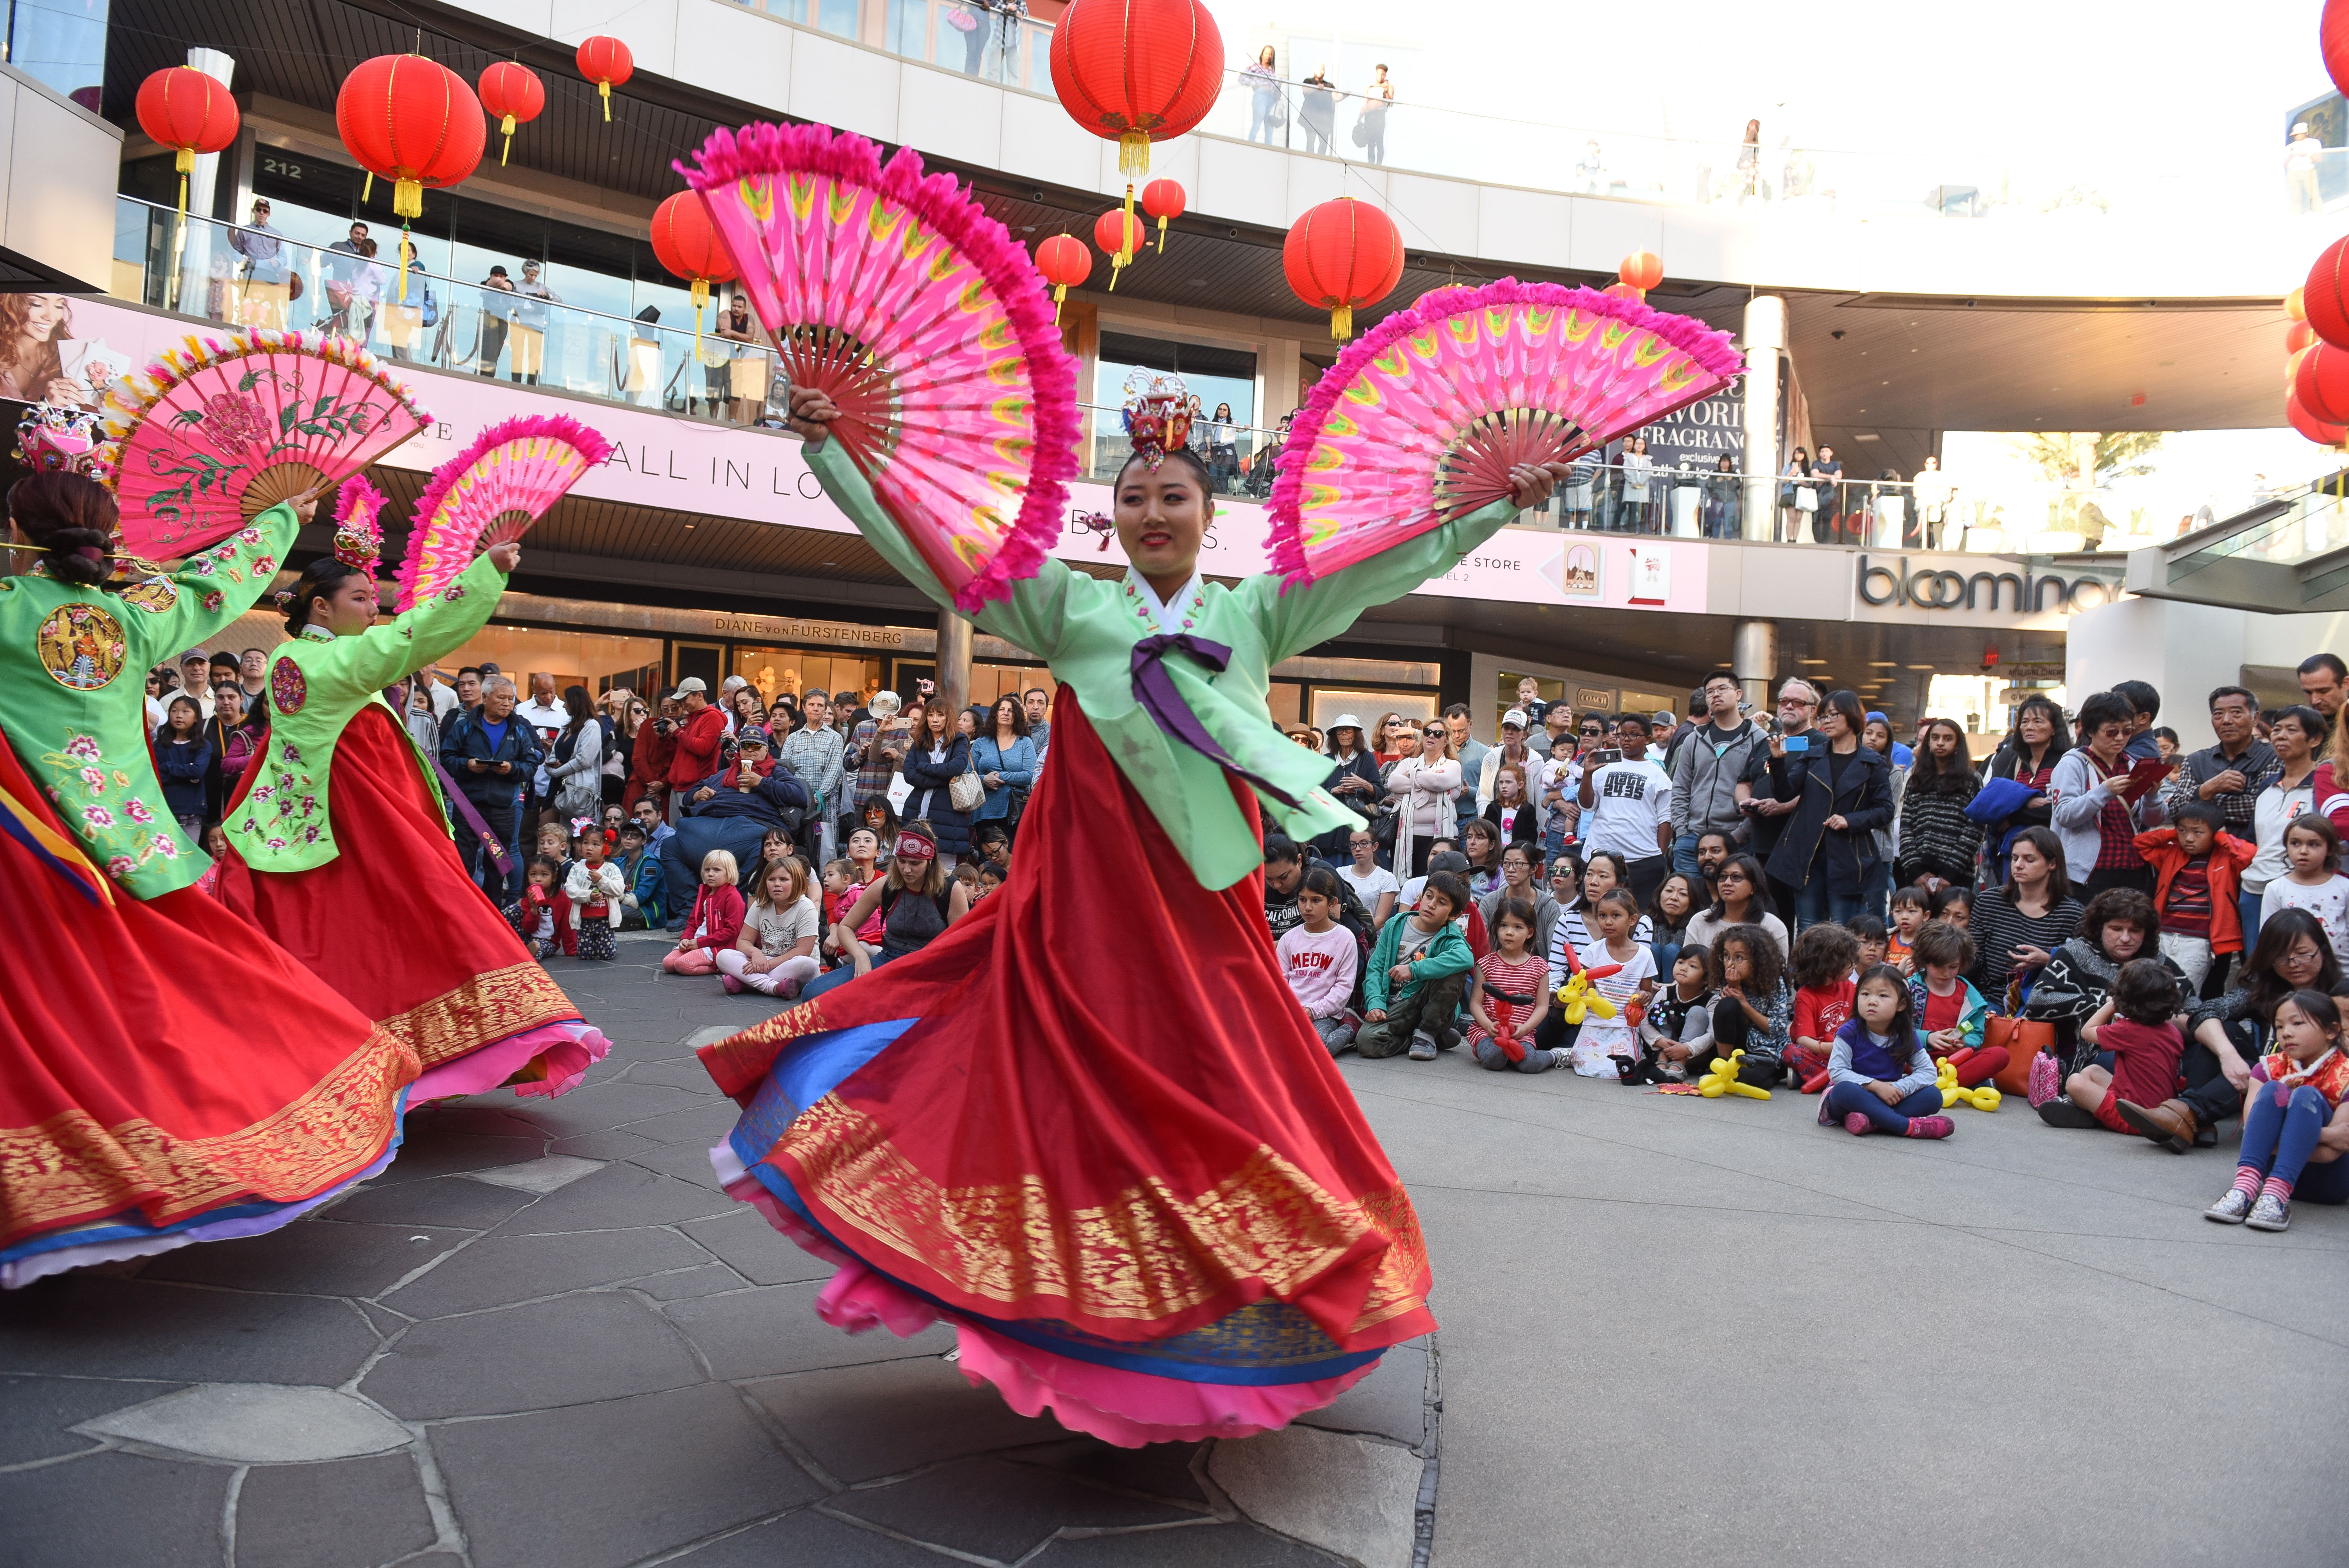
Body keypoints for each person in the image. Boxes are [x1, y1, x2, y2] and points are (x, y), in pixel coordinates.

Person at [698, 380, 1562, 1442]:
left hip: (1208, 910)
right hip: (1086, 910)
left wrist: (1495, 506)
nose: (1154, 515)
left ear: (1211, 517)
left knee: (1230, 1085)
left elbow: (1386, 563)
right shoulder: (1075, 610)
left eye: (1176, 499)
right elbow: (942, 551)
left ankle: (1233, 1310)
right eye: (1135, 498)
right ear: (1111, 518)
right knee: (1062, 1091)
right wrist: (840, 455)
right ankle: (1075, 1308)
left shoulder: (1254, 615)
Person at [215, 527, 610, 1100]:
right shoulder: (331, 660)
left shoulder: (292, 657)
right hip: (355, 822)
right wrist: (484, 573)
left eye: (374, 597)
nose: (373, 606)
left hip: (300, 822)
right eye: (359, 597)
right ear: (320, 606)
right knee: (409, 929)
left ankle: (330, 1061)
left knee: (336, 941)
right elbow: (410, 636)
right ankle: (388, 1055)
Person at [2127, 908, 2341, 1152]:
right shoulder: (2263, 990)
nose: (2293, 965)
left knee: (2258, 1070)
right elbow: (2205, 1012)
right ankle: (2192, 1118)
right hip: (2268, 1072)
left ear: (2322, 950)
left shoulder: (2340, 996)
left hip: (2317, 1085)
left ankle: (2189, 1114)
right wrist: (2227, 1054)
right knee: (2224, 1030)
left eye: (2303, 955)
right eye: (2282, 957)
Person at [2205, 989, 2349, 1229]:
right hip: (2265, 1175)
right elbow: (2253, 1128)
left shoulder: (2346, 1075)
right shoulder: (2267, 1070)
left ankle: (2278, 1194)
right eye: (2280, 1027)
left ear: (2331, 1031)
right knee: (2275, 1091)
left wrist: (2279, 1131)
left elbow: (2334, 1150)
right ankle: (2244, 1188)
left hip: (2328, 1181)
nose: (2287, 1033)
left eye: (2298, 1023)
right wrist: (2308, 1134)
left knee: (2306, 1095)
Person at [1764, 689, 1893, 930]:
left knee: (1842, 929)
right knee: (1808, 927)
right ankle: (1807, 970)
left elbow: (1885, 811)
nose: (1827, 721)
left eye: (1834, 715)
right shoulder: (1814, 755)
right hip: (1808, 855)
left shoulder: (1873, 763)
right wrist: (1778, 762)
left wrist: (1849, 820)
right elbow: (1785, 794)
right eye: (1824, 716)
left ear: (1852, 716)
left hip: (1848, 857)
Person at [658, 729, 812, 923]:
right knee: (670, 846)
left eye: (756, 746)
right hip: (705, 826)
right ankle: (690, 911)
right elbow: (691, 794)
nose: (751, 750)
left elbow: (800, 795)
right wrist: (697, 795)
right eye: (745, 746)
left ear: (766, 750)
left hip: (752, 827)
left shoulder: (777, 772)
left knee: (763, 846)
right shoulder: (723, 775)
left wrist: (763, 783)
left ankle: (734, 913)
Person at [802, 821, 969, 997]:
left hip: (932, 964)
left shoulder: (951, 889)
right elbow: (846, 927)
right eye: (902, 861)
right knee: (813, 993)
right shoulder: (886, 885)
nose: (907, 869)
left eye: (915, 863)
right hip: (890, 958)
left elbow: (961, 946)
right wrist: (861, 957)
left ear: (930, 861)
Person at [2050, 690, 2162, 902]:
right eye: (2111, 732)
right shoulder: (2073, 763)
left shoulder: (2132, 763)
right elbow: (2065, 815)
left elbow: (2153, 820)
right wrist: (2104, 792)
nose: (2120, 738)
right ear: (2091, 731)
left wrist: (2152, 796)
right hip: (2089, 873)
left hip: (2133, 867)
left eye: (2127, 731)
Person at [1820, 966, 1955, 1139]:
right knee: (1843, 1090)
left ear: (1901, 1005)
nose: (1872, 1001)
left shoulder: (1906, 1034)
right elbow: (1838, 1071)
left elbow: (1928, 1072)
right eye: (1865, 994)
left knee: (1934, 1096)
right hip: (1855, 1097)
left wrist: (1897, 1088)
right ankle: (1906, 1127)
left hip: (1891, 1095)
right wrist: (1876, 1086)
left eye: (1883, 996)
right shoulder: (1849, 1032)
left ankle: (1872, 1123)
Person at [2135, 800, 2253, 993]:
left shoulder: (2225, 858)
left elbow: (2248, 854)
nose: (2189, 839)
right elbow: (2141, 843)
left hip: (2201, 939)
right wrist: (2173, 833)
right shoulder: (2173, 854)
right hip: (2165, 932)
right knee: (2156, 986)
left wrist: (2220, 837)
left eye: (2198, 832)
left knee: (2186, 991)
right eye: (2183, 831)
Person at [1358, 870, 1475, 1061]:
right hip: (1397, 1005)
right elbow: (1376, 968)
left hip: (1430, 1006)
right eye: (1429, 896)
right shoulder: (1396, 925)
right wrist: (1375, 1003)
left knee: (1456, 970)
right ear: (1422, 896)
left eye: (1442, 903)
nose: (1431, 905)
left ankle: (1428, 1032)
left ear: (1454, 915)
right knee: (1367, 1042)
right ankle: (1431, 1039)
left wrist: (1414, 970)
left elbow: (1466, 959)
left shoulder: (1450, 934)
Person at [444, 675, 542, 899]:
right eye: (502, 698)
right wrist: (468, 765)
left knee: (497, 865)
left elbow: (531, 765)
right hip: (468, 807)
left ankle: (492, 914)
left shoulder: (519, 729)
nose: (508, 703)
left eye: (511, 699)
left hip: (503, 808)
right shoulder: (464, 726)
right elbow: (447, 758)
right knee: (464, 862)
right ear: (486, 698)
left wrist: (512, 769)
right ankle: (463, 908)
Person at [1967, 827, 2083, 1005]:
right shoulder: (1988, 901)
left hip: (2041, 1003)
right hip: (1987, 999)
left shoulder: (2072, 913)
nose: (2019, 865)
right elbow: (1975, 959)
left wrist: (2048, 960)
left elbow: (2082, 966)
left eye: (2029, 860)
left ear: (2052, 864)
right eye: (2015, 858)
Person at [2243, 705, 2326, 943]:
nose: (2281, 736)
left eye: (2292, 730)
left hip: (2299, 889)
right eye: (2277, 729)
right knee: (2257, 964)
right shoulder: (2266, 785)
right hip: (2254, 888)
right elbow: (2254, 840)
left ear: (2315, 740)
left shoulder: (2323, 786)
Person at [2161, 685, 2279, 850]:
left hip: (2251, 856)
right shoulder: (2196, 761)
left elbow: (2259, 809)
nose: (2226, 720)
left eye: (2236, 713)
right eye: (2218, 714)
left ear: (2255, 718)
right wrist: (2208, 789)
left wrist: (2201, 804)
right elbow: (2176, 811)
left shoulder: (2273, 757)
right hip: (2201, 861)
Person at [1577, 711, 1674, 906]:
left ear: (1648, 739)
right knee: (1595, 910)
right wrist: (1587, 774)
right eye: (1622, 734)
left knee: (1637, 914)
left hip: (1642, 859)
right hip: (1600, 854)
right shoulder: (1603, 766)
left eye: (1634, 734)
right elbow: (1587, 806)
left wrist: (1660, 855)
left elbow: (1666, 819)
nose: (1626, 739)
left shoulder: (1658, 775)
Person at [1466, 899, 1561, 1073]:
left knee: (1530, 1065)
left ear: (1530, 932)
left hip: (1522, 1033)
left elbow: (1542, 1006)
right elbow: (1475, 1003)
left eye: (1518, 927)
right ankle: (1492, 1052)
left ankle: (1555, 1055)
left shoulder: (1539, 967)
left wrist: (1525, 1029)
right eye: (1504, 926)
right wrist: (1488, 1025)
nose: (1509, 933)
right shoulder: (1486, 964)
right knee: (1495, 1058)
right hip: (1487, 1033)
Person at [1893, 717, 1984, 893]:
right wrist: (1915, 870)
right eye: (1935, 738)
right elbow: (1906, 827)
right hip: (1918, 874)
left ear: (1958, 744)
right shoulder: (1915, 780)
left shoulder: (1972, 780)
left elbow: (1975, 829)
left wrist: (1950, 873)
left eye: (1948, 738)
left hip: (1957, 874)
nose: (1940, 743)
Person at [1695, 924, 1793, 1087]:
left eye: (1739, 957)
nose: (1730, 964)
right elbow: (1730, 1021)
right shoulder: (1729, 979)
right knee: (1726, 1006)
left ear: (1757, 960)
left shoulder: (1775, 984)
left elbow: (1776, 1029)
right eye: (1726, 956)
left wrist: (1745, 1004)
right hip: (1739, 1045)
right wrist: (1734, 989)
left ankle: (1775, 1072)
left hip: (1765, 1048)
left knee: (1751, 1077)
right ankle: (1724, 1063)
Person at [1280, 866, 1359, 1056]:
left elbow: (1344, 987)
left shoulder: (1345, 938)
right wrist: (1289, 1009)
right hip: (1291, 1012)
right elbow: (1280, 981)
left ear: (1332, 903)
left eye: (1316, 900)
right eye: (1303, 900)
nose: (1308, 907)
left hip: (1325, 1013)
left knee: (1317, 1052)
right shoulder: (1289, 939)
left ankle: (1351, 1026)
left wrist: (1312, 1011)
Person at [717, 855, 822, 998]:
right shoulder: (761, 904)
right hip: (764, 961)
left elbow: (803, 950)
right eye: (771, 879)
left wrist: (768, 964)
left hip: (792, 964)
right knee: (723, 956)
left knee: (807, 964)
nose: (777, 884)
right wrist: (756, 954)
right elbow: (743, 941)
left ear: (798, 882)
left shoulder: (806, 907)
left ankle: (747, 983)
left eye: (784, 880)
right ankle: (772, 987)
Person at [1908, 922, 2000, 1082]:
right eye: (1939, 966)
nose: (1946, 973)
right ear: (1924, 960)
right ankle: (1959, 1082)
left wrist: (1965, 1043)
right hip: (1915, 1056)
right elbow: (1894, 1030)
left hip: (1954, 1061)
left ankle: (1933, 1082)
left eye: (1953, 966)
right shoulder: (1910, 988)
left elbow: (1976, 1033)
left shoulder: (1969, 997)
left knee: (1999, 1055)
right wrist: (1927, 1038)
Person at [1622, 944, 1715, 1083]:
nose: (1684, 968)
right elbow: (1645, 1021)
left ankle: (1680, 1063)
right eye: (1681, 962)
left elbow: (1712, 1035)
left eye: (1693, 966)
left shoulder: (1711, 1000)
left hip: (1692, 1055)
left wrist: (1686, 1049)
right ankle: (1663, 1059)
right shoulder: (1666, 992)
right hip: (1662, 1048)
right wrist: (1662, 1042)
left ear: (1707, 978)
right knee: (1663, 1009)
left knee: (1698, 1012)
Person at [2260, 813, 2349, 956]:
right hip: (2294, 971)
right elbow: (2269, 940)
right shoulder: (2276, 889)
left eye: (2313, 844)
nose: (2303, 851)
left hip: (2342, 973)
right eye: (2295, 843)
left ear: (2330, 849)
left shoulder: (2345, 887)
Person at [900, 700, 973, 868]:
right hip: (917, 810)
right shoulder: (919, 741)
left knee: (944, 872)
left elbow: (957, 767)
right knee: (913, 866)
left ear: (948, 718)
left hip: (948, 812)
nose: (935, 719)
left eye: (940, 715)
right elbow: (910, 775)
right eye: (931, 715)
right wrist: (943, 777)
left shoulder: (959, 740)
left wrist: (925, 768)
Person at [1386, 716, 1461, 877]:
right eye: (1428, 732)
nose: (1432, 736)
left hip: (1440, 840)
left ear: (1447, 740)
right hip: (1407, 837)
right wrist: (1431, 784)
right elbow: (1393, 783)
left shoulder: (1452, 765)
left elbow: (1441, 781)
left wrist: (1413, 775)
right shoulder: (1408, 762)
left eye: (1438, 733)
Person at [1682, 850, 1788, 962]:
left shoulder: (1773, 927)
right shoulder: (1700, 921)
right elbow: (1688, 967)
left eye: (1736, 877)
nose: (1727, 883)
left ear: (1754, 887)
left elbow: (1777, 974)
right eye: (1723, 877)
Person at [663, 848, 746, 976]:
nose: (710, 874)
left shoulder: (732, 896)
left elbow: (732, 931)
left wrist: (700, 943)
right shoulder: (705, 893)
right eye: (707, 870)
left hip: (718, 947)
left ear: (729, 872)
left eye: (717, 870)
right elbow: (693, 923)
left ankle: (721, 967)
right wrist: (685, 939)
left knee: (683, 965)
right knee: (668, 964)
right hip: (697, 942)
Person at [970, 693, 1036, 837]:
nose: (1006, 713)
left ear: (1016, 715)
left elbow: (1029, 775)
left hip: (1014, 812)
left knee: (1012, 857)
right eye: (1002, 709)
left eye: (1011, 710)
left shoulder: (1025, 742)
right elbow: (968, 775)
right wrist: (984, 779)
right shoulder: (981, 743)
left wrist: (1001, 776)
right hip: (984, 811)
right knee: (985, 857)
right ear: (995, 714)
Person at [664, 677, 727, 824]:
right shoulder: (693, 718)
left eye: (685, 698)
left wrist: (678, 732)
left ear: (700, 696)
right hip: (680, 785)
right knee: (676, 831)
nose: (683, 704)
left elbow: (704, 748)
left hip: (694, 786)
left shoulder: (712, 717)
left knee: (684, 831)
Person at [544, 684, 606, 829]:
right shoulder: (567, 727)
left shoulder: (592, 726)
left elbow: (584, 760)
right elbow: (555, 752)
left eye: (566, 701)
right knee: (547, 831)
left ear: (576, 702)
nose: (564, 706)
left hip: (578, 789)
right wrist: (552, 764)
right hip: (556, 785)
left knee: (574, 834)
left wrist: (556, 771)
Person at [153, 695, 211, 839]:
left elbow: (198, 771)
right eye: (174, 711)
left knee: (189, 854)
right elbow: (155, 775)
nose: (179, 716)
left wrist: (167, 767)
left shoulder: (203, 746)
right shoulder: (159, 745)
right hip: (164, 806)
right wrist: (186, 775)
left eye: (186, 712)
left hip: (192, 807)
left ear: (196, 718)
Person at [228, 198, 293, 328]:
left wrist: (277, 263)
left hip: (270, 275)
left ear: (269, 214)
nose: (261, 213)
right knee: (247, 305)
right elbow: (235, 252)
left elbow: (283, 258)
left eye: (265, 211)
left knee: (271, 307)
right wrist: (243, 259)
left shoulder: (277, 234)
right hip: (251, 273)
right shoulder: (244, 231)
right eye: (259, 210)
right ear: (254, 211)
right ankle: (245, 333)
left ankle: (272, 334)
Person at [476, 265, 516, 376]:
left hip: (503, 320)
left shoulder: (509, 283)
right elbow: (485, 289)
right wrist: (496, 283)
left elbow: (508, 287)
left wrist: (498, 284)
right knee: (489, 348)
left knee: (497, 350)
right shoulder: (485, 283)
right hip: (489, 317)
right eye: (496, 276)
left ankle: (490, 374)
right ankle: (483, 375)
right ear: (491, 276)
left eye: (501, 276)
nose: (499, 278)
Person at [1243, 45, 1282, 143]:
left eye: (1271, 54)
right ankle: (1250, 145)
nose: (1268, 56)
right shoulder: (1256, 67)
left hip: (1271, 98)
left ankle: (1269, 149)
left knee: (1270, 129)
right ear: (1263, 54)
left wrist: (1278, 84)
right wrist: (1257, 86)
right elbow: (1242, 78)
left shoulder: (1272, 71)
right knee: (1257, 124)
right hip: (1261, 96)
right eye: (1267, 53)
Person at [1357, 63, 1394, 165]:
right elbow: (1365, 104)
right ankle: (1371, 164)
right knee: (1371, 143)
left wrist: (1386, 90)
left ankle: (1379, 164)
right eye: (1379, 74)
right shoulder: (1370, 87)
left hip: (1379, 117)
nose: (1381, 76)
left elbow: (1390, 103)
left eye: (1383, 74)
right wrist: (1360, 118)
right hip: (1369, 117)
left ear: (1385, 75)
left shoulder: (1389, 87)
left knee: (1379, 142)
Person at [1700, 454, 1742, 540]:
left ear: (1730, 463)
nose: (1724, 463)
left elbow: (1738, 486)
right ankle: (1715, 541)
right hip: (1717, 501)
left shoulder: (1734, 474)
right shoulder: (1715, 473)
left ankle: (1728, 542)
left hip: (1730, 502)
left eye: (1726, 461)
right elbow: (1708, 485)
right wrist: (1717, 481)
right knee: (1717, 522)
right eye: (1723, 461)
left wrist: (1732, 481)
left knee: (1728, 523)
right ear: (1720, 463)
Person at [2296, 652, 2345, 720]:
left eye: (2324, 691)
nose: (2315, 701)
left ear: (2346, 684)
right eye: (2308, 692)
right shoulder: (2300, 722)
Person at [1299, 62, 1335, 154]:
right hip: (1311, 115)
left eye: (1322, 69)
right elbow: (1306, 91)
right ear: (1314, 70)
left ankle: (1321, 161)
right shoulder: (1308, 81)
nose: (1321, 71)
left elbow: (1335, 97)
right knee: (1310, 141)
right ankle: (1310, 160)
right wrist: (1316, 88)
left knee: (1324, 143)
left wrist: (1344, 96)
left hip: (1325, 117)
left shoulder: (1329, 85)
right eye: (1319, 69)